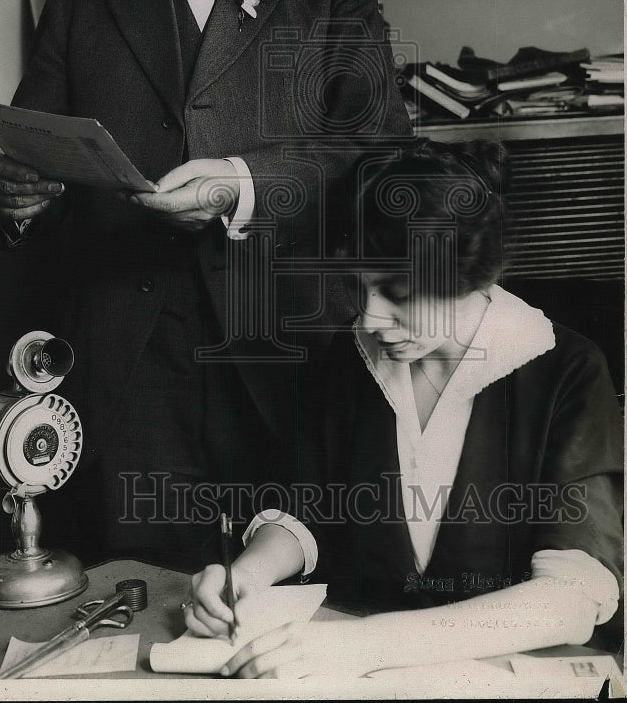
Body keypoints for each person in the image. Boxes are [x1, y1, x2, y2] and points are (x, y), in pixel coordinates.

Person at [0, 0, 412, 569]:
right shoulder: (82, 2)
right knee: (139, 589)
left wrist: (245, 184)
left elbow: (380, 150)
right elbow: (25, 147)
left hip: (288, 341)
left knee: (289, 589)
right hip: (127, 354)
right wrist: (6, 188)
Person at [185, 139, 623, 678]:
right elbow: (313, 509)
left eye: (398, 291)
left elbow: (572, 597)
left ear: (472, 273)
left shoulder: (566, 372)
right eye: (359, 287)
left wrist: (365, 644)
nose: (371, 318)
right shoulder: (355, 357)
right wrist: (248, 575)